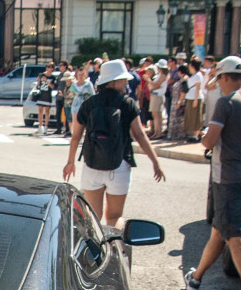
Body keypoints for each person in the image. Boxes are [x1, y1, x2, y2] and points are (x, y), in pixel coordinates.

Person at [183, 56, 241, 290]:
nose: (218, 83)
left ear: (224, 77)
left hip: (228, 177)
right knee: (220, 231)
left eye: (219, 78)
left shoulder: (226, 103)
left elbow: (209, 142)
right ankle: (196, 278)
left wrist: (203, 135)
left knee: (232, 233)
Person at [62, 59, 166, 226]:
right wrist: (155, 162)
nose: (126, 83)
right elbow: (139, 135)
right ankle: (117, 250)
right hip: (120, 165)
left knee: (93, 218)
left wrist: (70, 162)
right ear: (113, 81)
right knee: (115, 217)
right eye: (123, 79)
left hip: (92, 164)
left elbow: (76, 136)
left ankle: (93, 251)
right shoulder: (127, 104)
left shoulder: (89, 104)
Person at [185, 58, 205, 139]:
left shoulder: (198, 75)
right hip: (190, 97)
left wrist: (196, 100)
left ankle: (196, 135)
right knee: (191, 116)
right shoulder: (193, 75)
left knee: (196, 116)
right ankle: (193, 133)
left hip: (195, 98)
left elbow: (198, 88)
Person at [148, 60, 168, 139]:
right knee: (156, 114)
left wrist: (148, 80)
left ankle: (158, 132)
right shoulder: (159, 75)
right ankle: (157, 132)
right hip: (155, 95)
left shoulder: (163, 75)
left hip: (158, 96)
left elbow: (156, 85)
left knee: (156, 114)